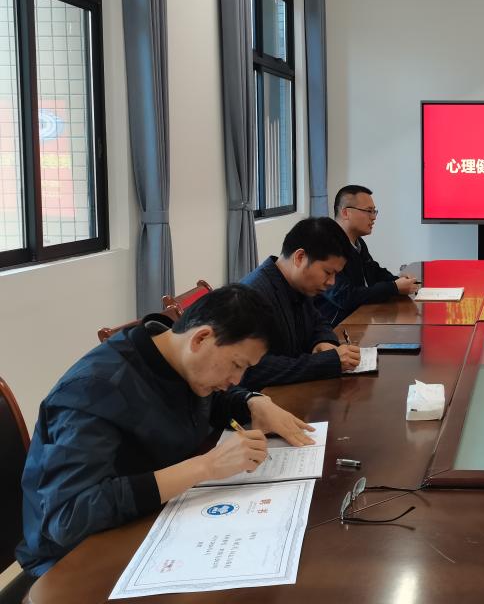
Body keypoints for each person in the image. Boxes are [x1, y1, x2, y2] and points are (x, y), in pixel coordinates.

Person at [18, 285, 316, 578]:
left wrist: (252, 402)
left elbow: (209, 402)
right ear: (201, 338)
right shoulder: (95, 389)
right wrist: (205, 467)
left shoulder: (178, 359)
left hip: (155, 521)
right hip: (74, 560)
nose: (236, 380)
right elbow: (67, 517)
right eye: (237, 365)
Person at [241, 216, 360, 389]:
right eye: (328, 272)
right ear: (300, 257)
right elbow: (252, 369)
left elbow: (318, 321)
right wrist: (324, 363)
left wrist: (323, 342)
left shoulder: (298, 284)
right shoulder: (252, 296)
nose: (332, 282)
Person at [315, 185, 418, 326]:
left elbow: (373, 271)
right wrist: (393, 287)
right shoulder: (327, 245)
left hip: (359, 320)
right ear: (345, 213)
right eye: (369, 211)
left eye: (374, 211)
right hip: (336, 328)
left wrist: (399, 282)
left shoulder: (357, 242)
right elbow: (345, 297)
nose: (373, 217)